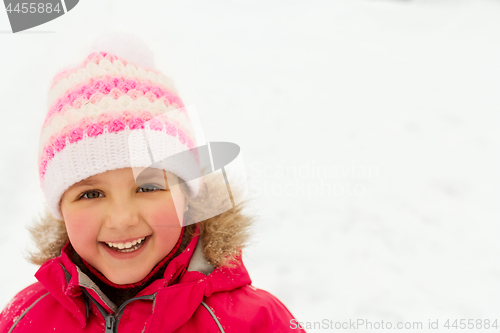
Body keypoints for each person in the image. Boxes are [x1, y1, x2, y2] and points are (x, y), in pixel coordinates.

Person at [0, 35, 305, 333]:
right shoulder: (24, 320)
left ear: (187, 197)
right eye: (91, 193)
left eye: (147, 188)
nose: (122, 219)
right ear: (60, 209)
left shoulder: (254, 323)